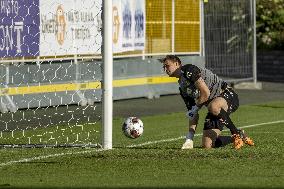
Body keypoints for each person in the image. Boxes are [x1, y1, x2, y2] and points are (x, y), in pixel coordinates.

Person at [159, 55, 254, 149]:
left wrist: (196, 107)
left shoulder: (189, 70)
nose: (165, 69)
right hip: (214, 107)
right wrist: (189, 138)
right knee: (207, 145)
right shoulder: (182, 87)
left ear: (176, 64)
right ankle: (240, 135)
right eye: (164, 67)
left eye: (167, 65)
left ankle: (235, 134)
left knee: (213, 106)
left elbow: (206, 93)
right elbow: (193, 114)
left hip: (227, 96)